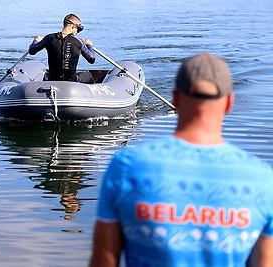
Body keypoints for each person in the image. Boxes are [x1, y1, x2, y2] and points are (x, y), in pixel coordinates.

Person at [89, 52, 273, 267]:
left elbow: (104, 261)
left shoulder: (126, 167)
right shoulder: (262, 179)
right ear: (229, 103)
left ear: (175, 98)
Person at [28, 13, 95, 84]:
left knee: (46, 75)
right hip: (73, 81)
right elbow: (91, 59)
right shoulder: (79, 42)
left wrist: (36, 40)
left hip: (53, 79)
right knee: (88, 75)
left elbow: (32, 51)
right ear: (73, 26)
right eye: (78, 28)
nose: (78, 31)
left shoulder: (49, 38)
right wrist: (89, 45)